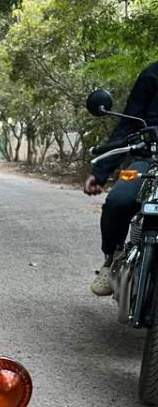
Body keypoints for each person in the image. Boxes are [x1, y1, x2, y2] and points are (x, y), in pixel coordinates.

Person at [84, 60, 158, 295]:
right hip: (149, 160)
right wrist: (101, 172)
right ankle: (112, 259)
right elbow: (128, 124)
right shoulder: (152, 75)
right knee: (118, 201)